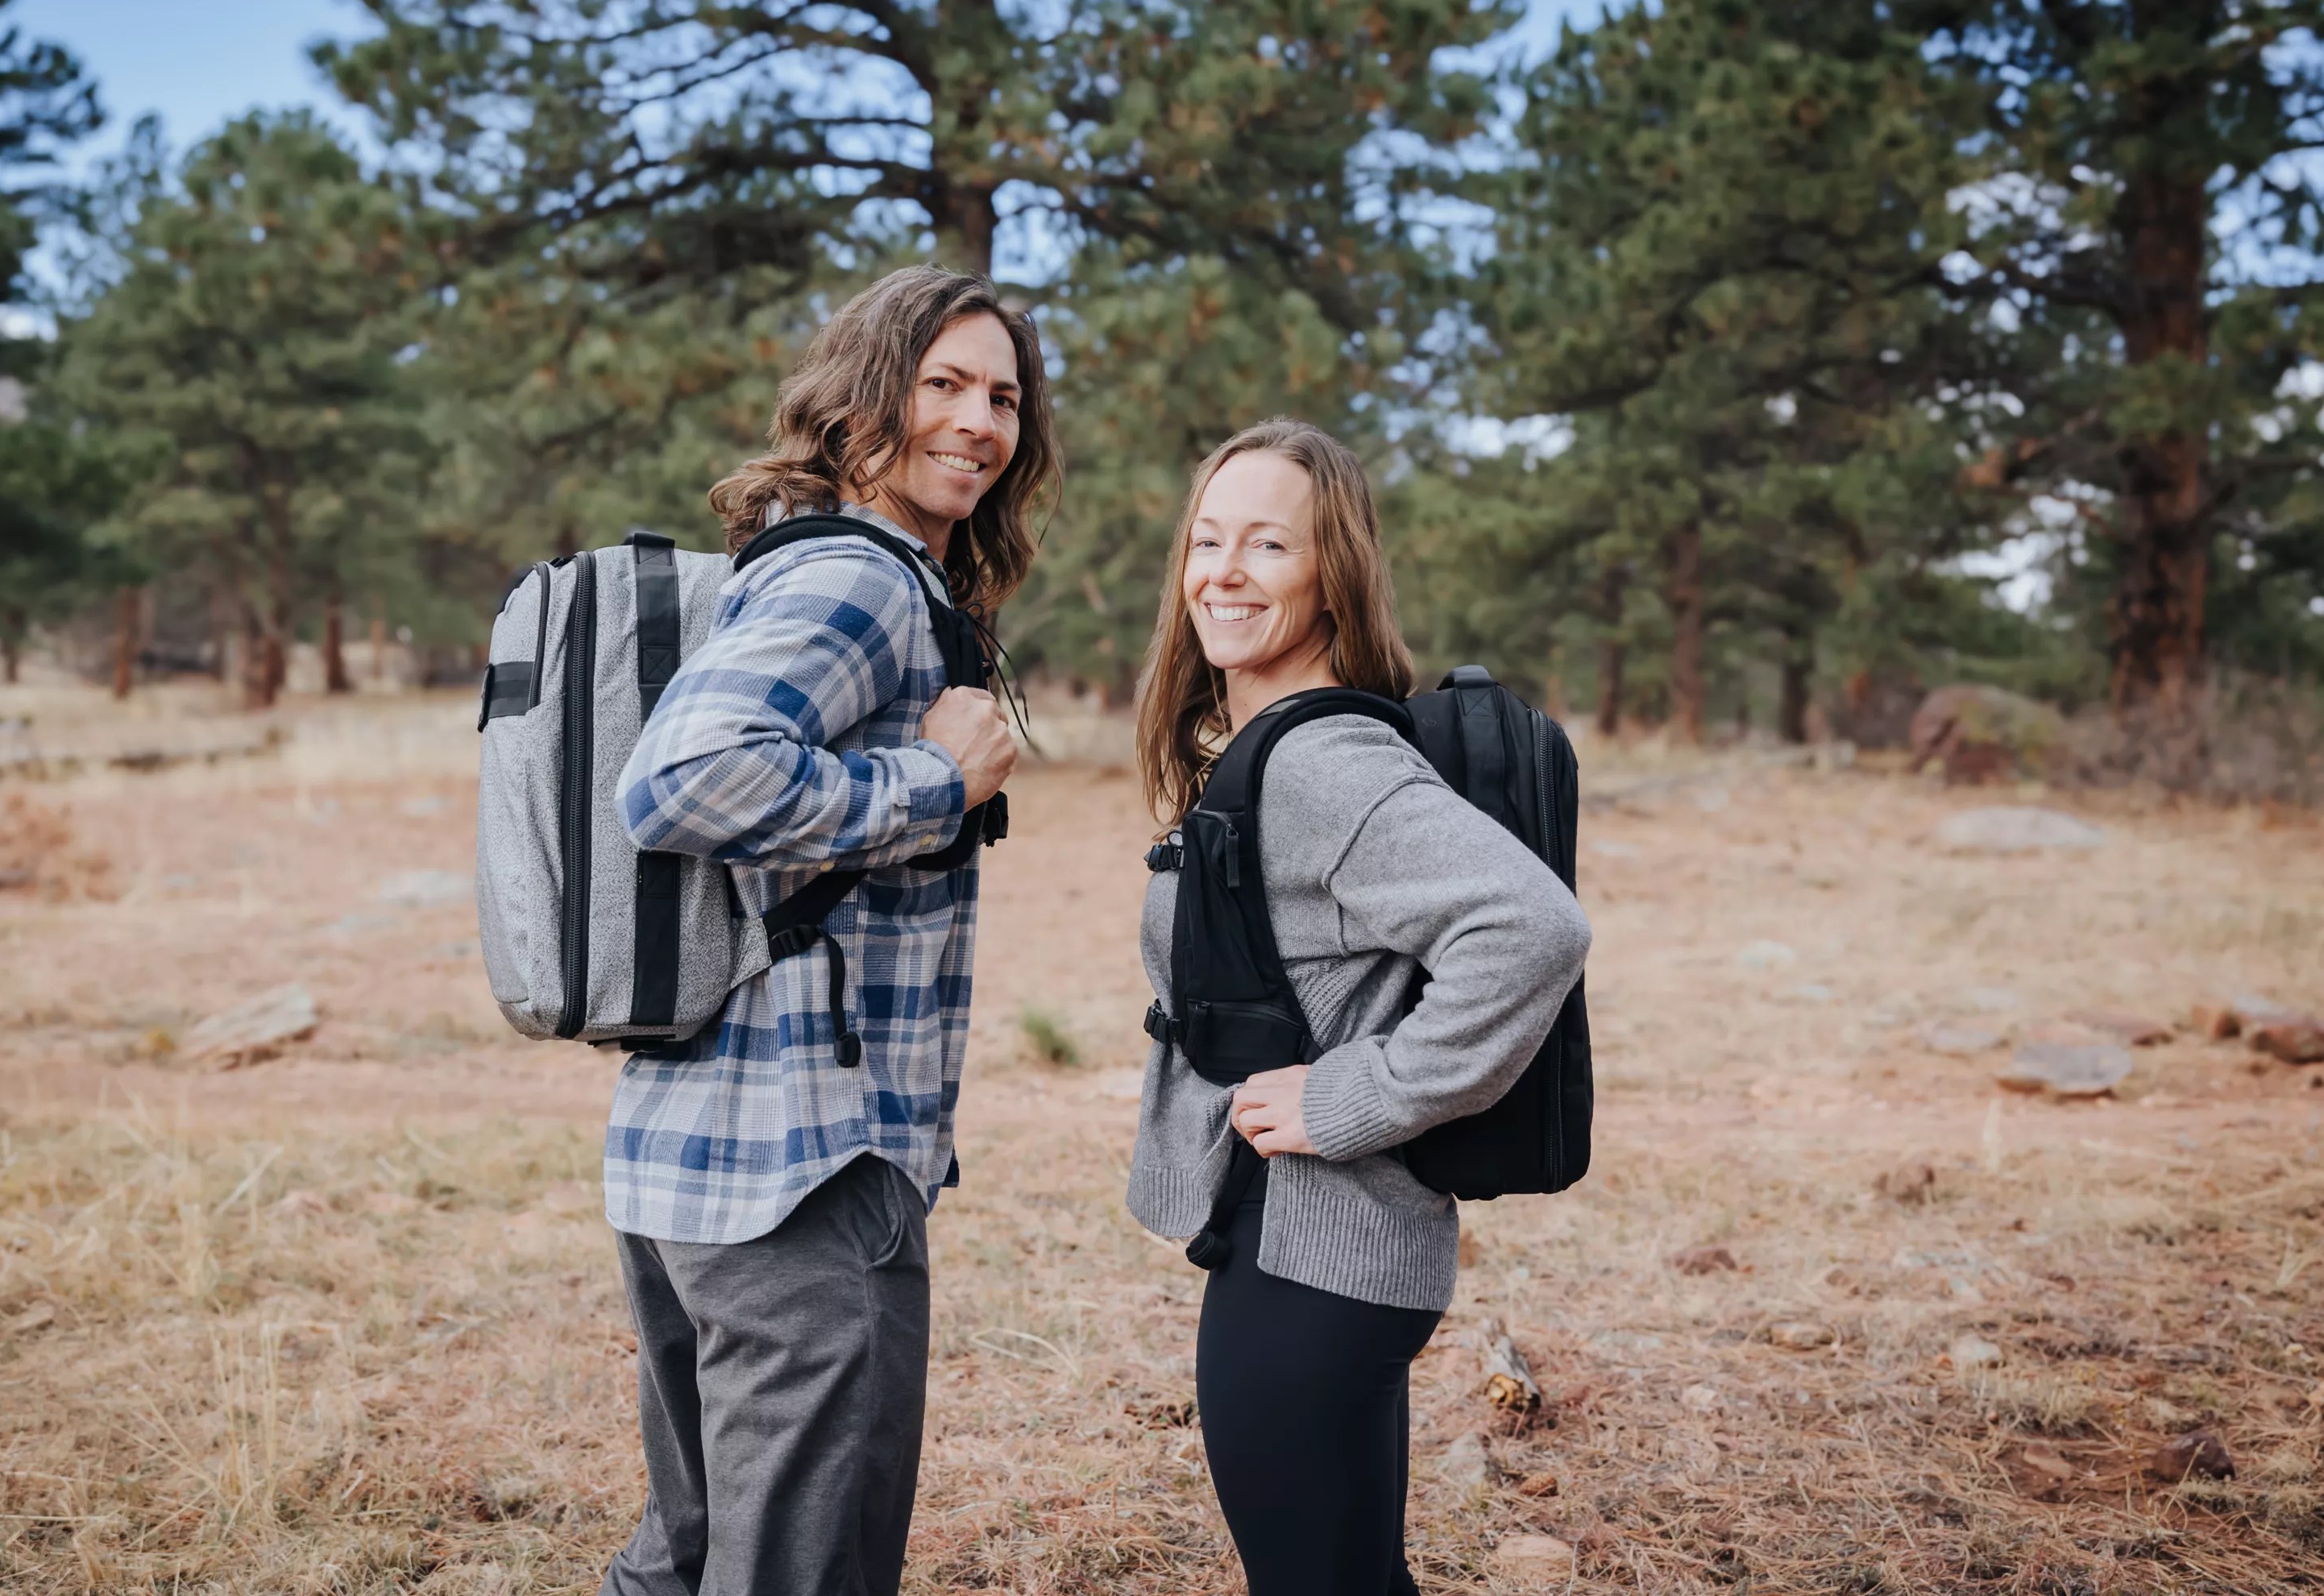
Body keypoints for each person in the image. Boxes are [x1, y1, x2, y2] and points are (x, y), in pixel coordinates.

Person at [602, 266, 1056, 1596]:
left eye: (1005, 397)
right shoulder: (859, 583)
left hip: (692, 1148)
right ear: (867, 399)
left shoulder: (802, 564)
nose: (981, 422)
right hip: (807, 1167)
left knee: (682, 1563)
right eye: (945, 385)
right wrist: (939, 785)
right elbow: (678, 782)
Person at [1127, 420, 1591, 1596]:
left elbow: (1531, 929)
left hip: (1316, 1267)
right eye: (1209, 539)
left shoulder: (1329, 764)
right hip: (1317, 1259)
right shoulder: (1278, 743)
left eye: (1268, 545)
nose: (1223, 573)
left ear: (1332, 573)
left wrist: (1356, 1096)